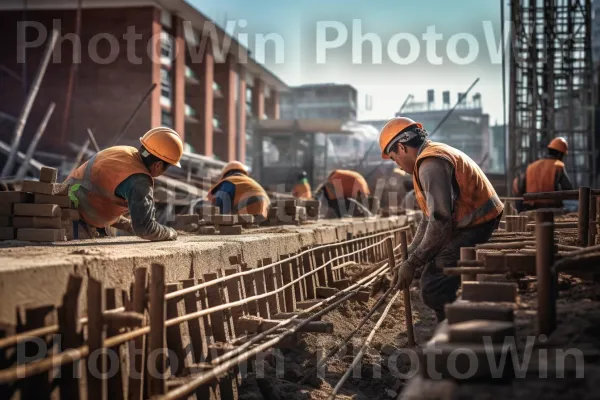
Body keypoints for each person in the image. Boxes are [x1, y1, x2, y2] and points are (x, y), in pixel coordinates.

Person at [379, 117, 504, 321]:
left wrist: (412, 264)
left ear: (401, 147)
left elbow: (440, 221)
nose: (398, 165)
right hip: (475, 221)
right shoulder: (430, 157)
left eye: (394, 158)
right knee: (431, 272)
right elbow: (429, 218)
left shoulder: (430, 164)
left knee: (433, 286)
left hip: (477, 224)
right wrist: (410, 255)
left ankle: (459, 327)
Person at [65, 127, 182, 241]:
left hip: (64, 204)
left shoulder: (125, 153)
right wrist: (170, 233)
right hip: (71, 221)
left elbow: (98, 196)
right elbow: (145, 228)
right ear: (158, 165)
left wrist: (128, 224)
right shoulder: (140, 181)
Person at [512, 137, 573, 211]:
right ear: (560, 154)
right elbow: (569, 189)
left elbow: (518, 185)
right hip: (551, 207)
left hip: (531, 207)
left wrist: (520, 205)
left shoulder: (532, 166)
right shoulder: (558, 166)